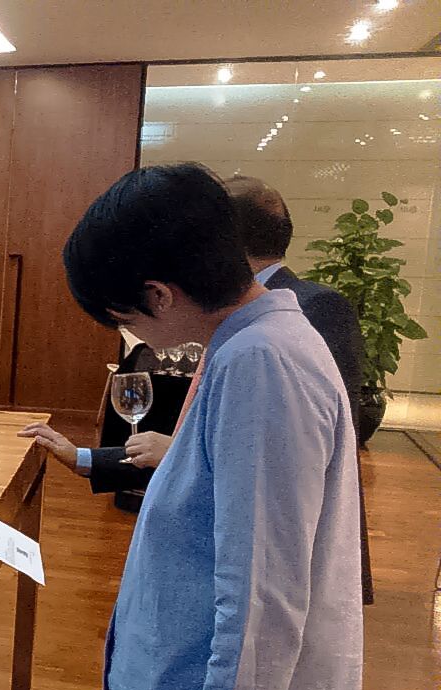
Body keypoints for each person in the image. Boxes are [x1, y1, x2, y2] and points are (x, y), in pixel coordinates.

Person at [61, 163, 362, 690]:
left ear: (159, 294)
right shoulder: (250, 344)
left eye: (125, 318)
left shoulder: (264, 364)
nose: (131, 335)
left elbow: (263, 601)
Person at [22, 175, 374, 603]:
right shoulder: (239, 333)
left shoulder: (263, 348)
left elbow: (261, 568)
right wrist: (85, 458)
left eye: (125, 321)